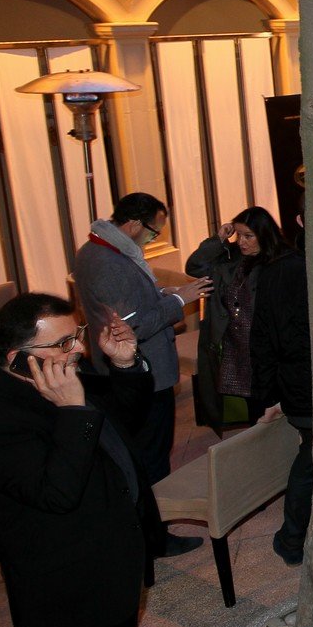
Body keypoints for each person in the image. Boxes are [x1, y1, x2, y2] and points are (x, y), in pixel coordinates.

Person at [0, 295, 159, 627]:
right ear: (18, 356)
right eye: (64, 342)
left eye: (76, 334)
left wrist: (124, 363)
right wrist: (72, 412)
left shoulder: (56, 374)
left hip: (113, 566)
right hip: (70, 594)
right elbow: (57, 493)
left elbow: (122, 424)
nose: (79, 348)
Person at [73, 192, 207, 556]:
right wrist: (181, 300)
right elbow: (136, 325)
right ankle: (155, 536)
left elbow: (130, 300)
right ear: (133, 224)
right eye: (153, 232)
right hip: (143, 372)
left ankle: (148, 531)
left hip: (121, 370)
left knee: (143, 450)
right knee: (151, 454)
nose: (154, 240)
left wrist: (164, 291)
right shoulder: (111, 262)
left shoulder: (93, 249)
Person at [248, 204, 313, 565]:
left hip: (305, 383)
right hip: (305, 384)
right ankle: (292, 538)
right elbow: (268, 339)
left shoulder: (286, 266)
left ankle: (295, 537)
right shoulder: (291, 267)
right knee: (312, 459)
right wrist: (269, 395)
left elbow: (264, 339)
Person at [185, 207, 288, 434]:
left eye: (248, 236)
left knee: (275, 404)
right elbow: (194, 267)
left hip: (267, 350)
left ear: (264, 234)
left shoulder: (281, 261)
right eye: (239, 235)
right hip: (236, 349)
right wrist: (219, 239)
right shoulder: (229, 257)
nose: (242, 241)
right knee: (254, 409)